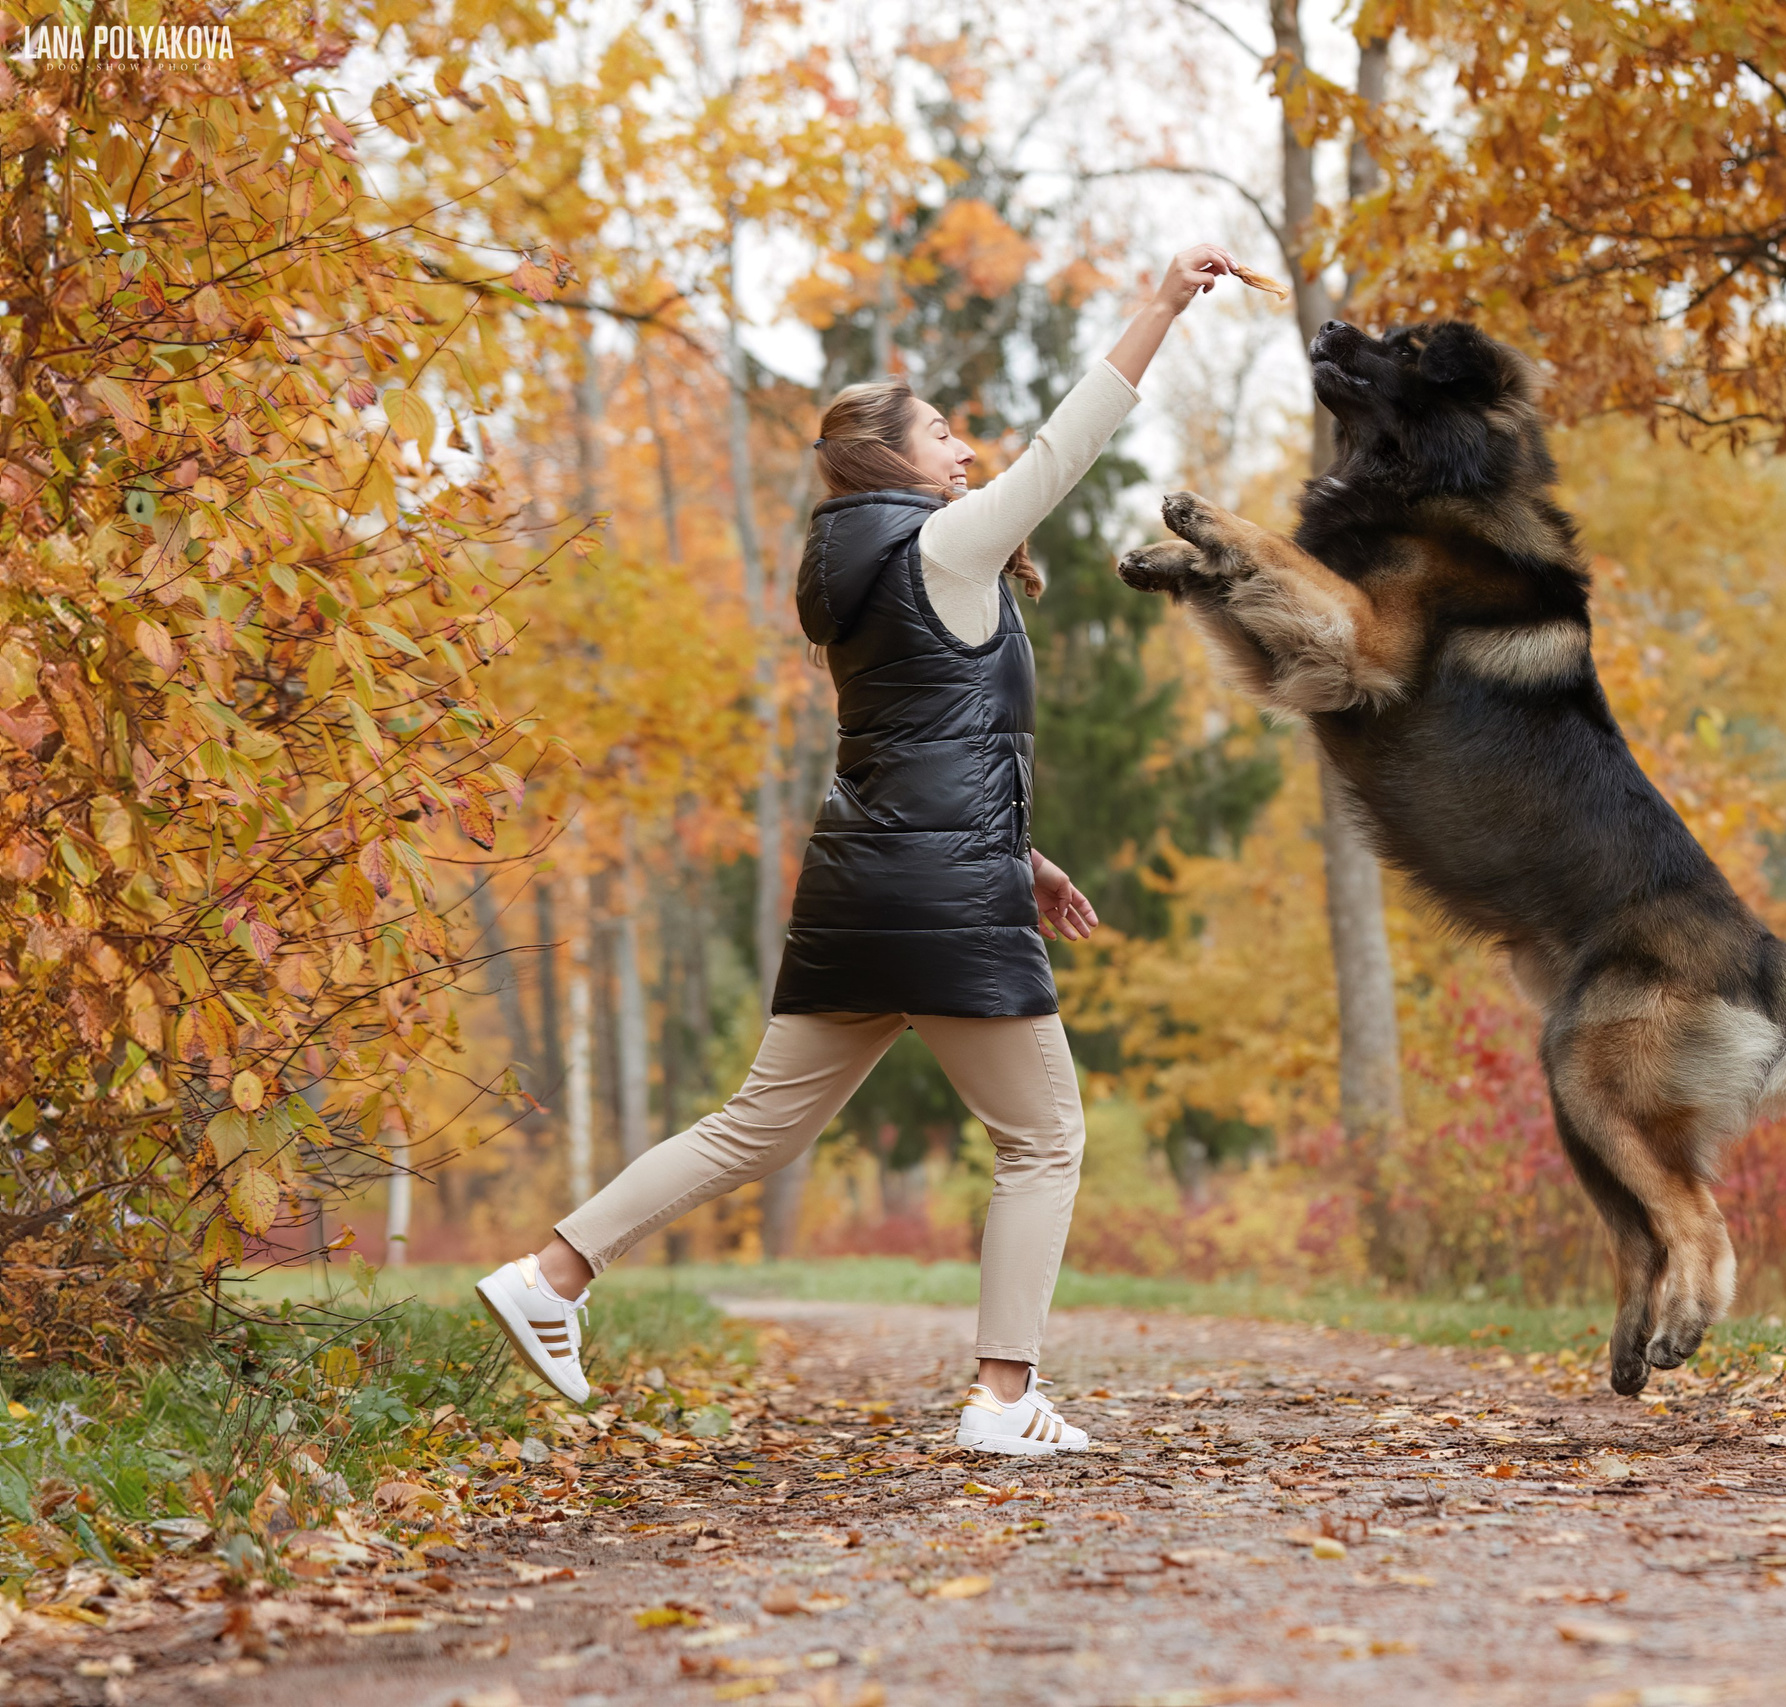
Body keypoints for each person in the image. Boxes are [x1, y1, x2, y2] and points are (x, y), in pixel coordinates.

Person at [475, 242, 1242, 1456]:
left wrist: (1024, 855)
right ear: (888, 456)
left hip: (866, 886)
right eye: (940, 433)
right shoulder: (944, 548)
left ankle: (548, 1277)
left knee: (755, 1127)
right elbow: (1067, 447)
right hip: (943, 900)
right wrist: (1157, 306)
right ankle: (1002, 1402)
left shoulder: (855, 571)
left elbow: (923, 749)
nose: (964, 449)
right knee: (1043, 1141)